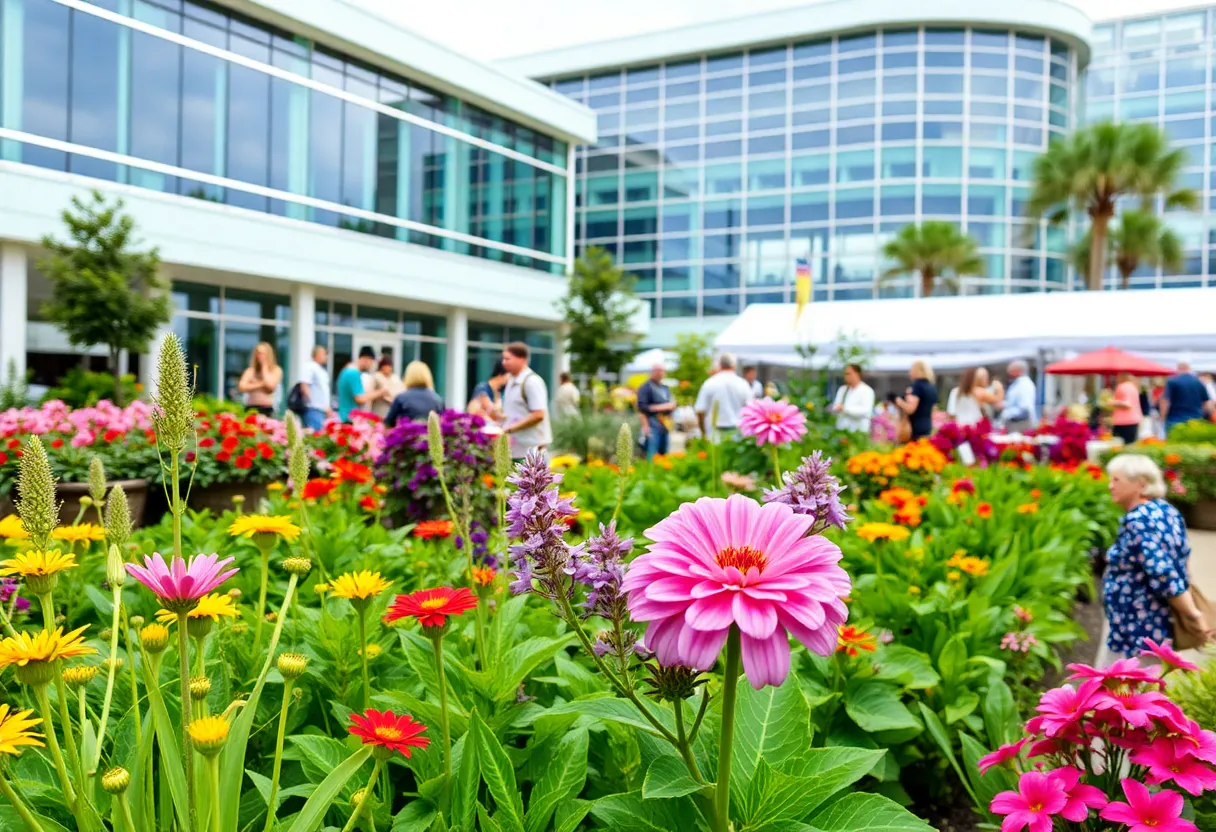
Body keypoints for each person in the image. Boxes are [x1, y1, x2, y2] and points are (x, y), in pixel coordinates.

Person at [1103, 454, 1212, 657]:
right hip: (1152, 624)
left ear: (1140, 484)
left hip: (1138, 628)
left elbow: (1163, 573)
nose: (1110, 486)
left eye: (1116, 480)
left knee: (1131, 684)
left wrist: (1192, 613)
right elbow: (1181, 557)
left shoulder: (1139, 520)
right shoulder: (1166, 510)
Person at [501, 342, 551, 458]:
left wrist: (510, 429)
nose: (504, 362)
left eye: (507, 359)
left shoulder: (531, 382)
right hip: (516, 448)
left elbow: (538, 415)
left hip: (531, 449)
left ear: (522, 359)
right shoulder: (512, 380)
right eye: (503, 359)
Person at [694, 353, 755, 437]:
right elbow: (751, 410)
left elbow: (700, 411)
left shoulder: (710, 382)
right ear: (734, 366)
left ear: (719, 365)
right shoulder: (743, 384)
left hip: (714, 433)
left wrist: (703, 433)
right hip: (737, 433)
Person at [385, 361, 444, 428]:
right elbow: (443, 422)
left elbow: (388, 423)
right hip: (430, 436)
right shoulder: (438, 399)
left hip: (407, 436)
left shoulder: (401, 398)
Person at [636, 362, 676, 459]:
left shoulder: (664, 388)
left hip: (665, 423)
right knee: (652, 452)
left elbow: (671, 402)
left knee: (664, 453)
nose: (661, 373)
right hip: (652, 423)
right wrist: (663, 406)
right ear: (653, 372)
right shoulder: (645, 387)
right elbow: (642, 407)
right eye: (659, 371)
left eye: (662, 371)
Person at [1161, 361, 1214, 432]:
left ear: (1178, 369)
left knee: (1174, 441)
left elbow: (1165, 401)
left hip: (1175, 419)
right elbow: (1207, 403)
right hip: (1195, 418)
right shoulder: (1198, 382)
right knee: (1192, 441)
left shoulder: (1172, 381)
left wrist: (1163, 416)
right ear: (1189, 369)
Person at [895, 359, 938, 440]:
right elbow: (933, 408)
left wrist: (898, 401)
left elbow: (910, 409)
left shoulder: (917, 386)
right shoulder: (932, 387)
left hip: (914, 427)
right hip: (927, 426)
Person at [237, 341, 282, 418]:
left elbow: (271, 387)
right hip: (250, 408)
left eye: (262, 353)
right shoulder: (250, 370)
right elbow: (241, 387)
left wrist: (264, 367)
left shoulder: (276, 370)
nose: (259, 356)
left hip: (266, 408)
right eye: (258, 353)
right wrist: (261, 384)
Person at [829, 363, 875, 433]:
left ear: (857, 374)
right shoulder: (843, 389)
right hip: (842, 429)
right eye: (845, 374)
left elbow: (865, 411)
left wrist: (845, 409)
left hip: (858, 431)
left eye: (848, 374)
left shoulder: (866, 390)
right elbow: (836, 406)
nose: (846, 376)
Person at [336, 347, 376, 422]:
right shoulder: (354, 373)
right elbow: (360, 399)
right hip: (349, 418)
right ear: (366, 359)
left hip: (343, 416)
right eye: (371, 363)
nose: (371, 366)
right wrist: (380, 392)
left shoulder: (346, 370)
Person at [298, 345, 332, 431]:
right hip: (313, 409)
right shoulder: (309, 367)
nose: (326, 357)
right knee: (314, 436)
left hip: (321, 410)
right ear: (318, 354)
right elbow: (304, 386)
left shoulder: (321, 370)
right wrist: (312, 403)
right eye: (324, 354)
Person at [1000, 359, 1038, 432]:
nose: (1008, 372)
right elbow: (1015, 403)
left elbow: (1025, 408)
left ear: (1018, 370)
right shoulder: (1017, 384)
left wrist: (1007, 414)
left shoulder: (1024, 385)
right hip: (1017, 423)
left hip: (1020, 424)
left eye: (1011, 369)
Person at [1110, 371, 1144, 446]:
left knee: (1118, 445)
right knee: (1130, 445)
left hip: (1122, 420)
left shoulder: (1122, 386)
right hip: (1134, 419)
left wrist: (1112, 402)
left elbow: (1127, 404)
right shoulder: (1133, 386)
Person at [366, 357, 405, 421]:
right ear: (381, 367)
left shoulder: (395, 378)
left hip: (392, 412)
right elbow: (369, 394)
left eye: (389, 366)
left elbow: (401, 391)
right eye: (385, 366)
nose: (387, 368)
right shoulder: (376, 377)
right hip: (379, 412)